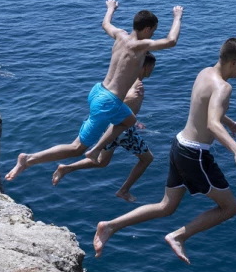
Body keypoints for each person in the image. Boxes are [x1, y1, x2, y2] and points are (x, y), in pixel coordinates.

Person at [93, 38, 236, 265]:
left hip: (179, 145)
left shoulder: (205, 73)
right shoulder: (224, 87)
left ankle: (110, 226)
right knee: (230, 208)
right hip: (195, 154)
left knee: (166, 206)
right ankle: (178, 236)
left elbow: (204, 105)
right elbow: (212, 124)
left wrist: (230, 122)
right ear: (234, 63)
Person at [5, 0, 183, 181]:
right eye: (153, 31)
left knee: (130, 120)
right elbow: (171, 41)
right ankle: (29, 159)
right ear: (147, 29)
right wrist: (177, 17)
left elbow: (105, 24)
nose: (152, 35)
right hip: (108, 101)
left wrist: (110, 8)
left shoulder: (120, 35)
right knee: (76, 148)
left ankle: (96, 149)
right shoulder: (139, 46)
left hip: (99, 90)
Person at [51, 53, 157, 202]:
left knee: (102, 161)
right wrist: (131, 105)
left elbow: (120, 104)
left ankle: (66, 168)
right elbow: (122, 103)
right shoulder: (138, 86)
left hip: (111, 126)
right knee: (147, 159)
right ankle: (124, 190)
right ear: (145, 67)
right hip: (122, 130)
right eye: (152, 67)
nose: (153, 70)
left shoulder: (127, 80)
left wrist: (134, 120)